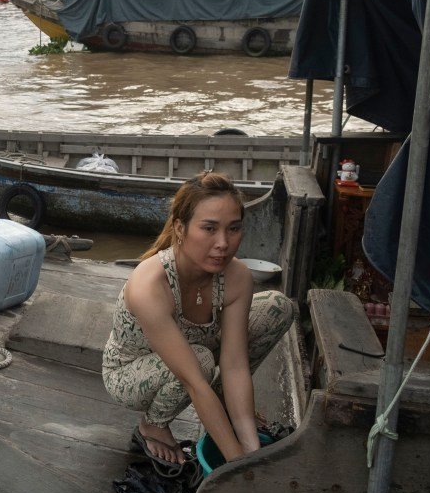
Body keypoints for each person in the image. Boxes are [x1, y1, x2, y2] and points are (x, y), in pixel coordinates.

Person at [102, 172, 296, 468]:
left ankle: (226, 411)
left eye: (234, 229)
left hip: (197, 351)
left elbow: (234, 364)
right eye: (209, 228)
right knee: (201, 362)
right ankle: (153, 424)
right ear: (181, 228)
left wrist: (251, 449)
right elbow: (195, 382)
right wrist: (237, 468)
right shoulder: (150, 284)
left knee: (277, 307)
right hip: (133, 373)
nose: (223, 243)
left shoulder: (237, 276)